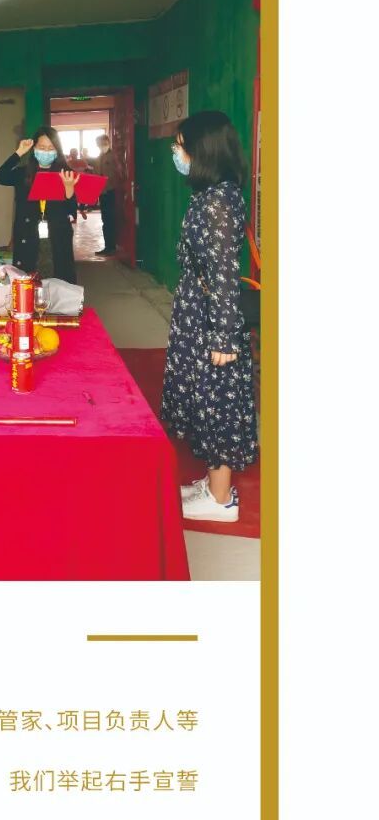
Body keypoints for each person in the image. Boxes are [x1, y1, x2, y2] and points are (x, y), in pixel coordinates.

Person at [160, 109, 258, 525]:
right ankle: (213, 484)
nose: (176, 152)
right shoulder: (211, 194)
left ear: (204, 150)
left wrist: (223, 337)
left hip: (211, 318)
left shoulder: (219, 202)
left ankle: (221, 501)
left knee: (216, 401)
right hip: (198, 311)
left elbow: (222, 274)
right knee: (203, 400)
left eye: (181, 146)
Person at [0, 126, 78, 282]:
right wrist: (18, 153)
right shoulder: (23, 173)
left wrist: (69, 190)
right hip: (28, 234)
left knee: (59, 279)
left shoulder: (66, 174)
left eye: (51, 148)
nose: (46, 152)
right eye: (42, 147)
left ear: (57, 150)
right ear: (34, 149)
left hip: (56, 236)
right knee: (28, 282)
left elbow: (72, 211)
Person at [93, 131, 122, 255]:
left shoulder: (114, 156)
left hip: (112, 192)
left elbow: (120, 173)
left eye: (102, 143)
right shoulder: (99, 157)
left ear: (107, 142)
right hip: (103, 193)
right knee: (105, 220)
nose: (100, 145)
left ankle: (113, 247)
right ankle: (108, 246)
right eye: (99, 143)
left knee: (111, 220)